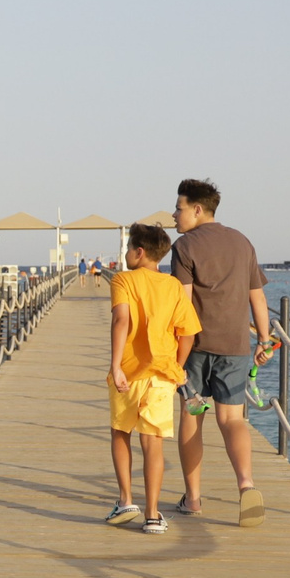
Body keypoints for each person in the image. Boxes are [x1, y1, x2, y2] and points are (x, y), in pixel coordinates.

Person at [167, 176, 274, 527]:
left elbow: (182, 303)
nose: (174, 215)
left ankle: (193, 499)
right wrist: (265, 340)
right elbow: (257, 297)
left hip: (195, 346)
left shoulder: (185, 246)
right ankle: (246, 485)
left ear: (198, 209)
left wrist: (172, 352)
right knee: (232, 420)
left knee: (191, 416)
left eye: (179, 208)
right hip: (235, 346)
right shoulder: (242, 242)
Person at [103, 223, 199, 535]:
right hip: (162, 375)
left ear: (139, 252)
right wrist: (177, 368)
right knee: (153, 443)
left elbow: (121, 320)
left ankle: (125, 500)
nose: (126, 253)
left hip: (129, 372)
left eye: (129, 248)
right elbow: (187, 333)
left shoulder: (123, 279)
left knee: (120, 432)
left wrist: (115, 366)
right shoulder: (173, 286)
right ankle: (153, 515)